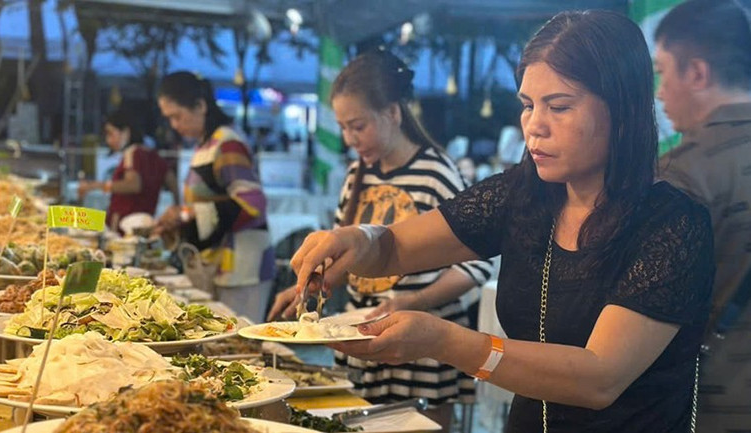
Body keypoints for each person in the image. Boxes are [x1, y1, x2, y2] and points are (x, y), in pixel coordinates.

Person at [289, 11, 714, 433]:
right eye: (528, 105)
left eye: (559, 106)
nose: (535, 127)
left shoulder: (672, 225)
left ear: (622, 110)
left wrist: (444, 341)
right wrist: (356, 239)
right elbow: (395, 247)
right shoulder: (523, 194)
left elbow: (598, 378)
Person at [267, 49, 495, 429]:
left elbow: (477, 263)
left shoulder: (436, 173)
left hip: (422, 344)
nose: (349, 138)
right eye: (343, 127)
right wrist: (305, 286)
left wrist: (414, 299)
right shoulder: (357, 173)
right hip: (361, 339)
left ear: (392, 112)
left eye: (358, 126)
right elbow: (340, 252)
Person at [655, 1, 751, 430]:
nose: (659, 92)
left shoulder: (684, 171)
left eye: (662, 72)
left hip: (715, 402)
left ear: (696, 72)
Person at [155, 71, 274, 323]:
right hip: (223, 268)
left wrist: (185, 214)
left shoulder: (227, 143)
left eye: (177, 116)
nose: (174, 125)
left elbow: (252, 205)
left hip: (242, 270)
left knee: (238, 344)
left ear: (200, 106)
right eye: (169, 119)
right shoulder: (206, 144)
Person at [79, 109, 177, 233]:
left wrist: (95, 186)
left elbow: (133, 184)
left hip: (122, 223)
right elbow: (172, 182)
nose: (109, 140)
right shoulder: (154, 156)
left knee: (67, 218)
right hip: (145, 225)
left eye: (110, 133)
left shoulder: (132, 152)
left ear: (125, 132)